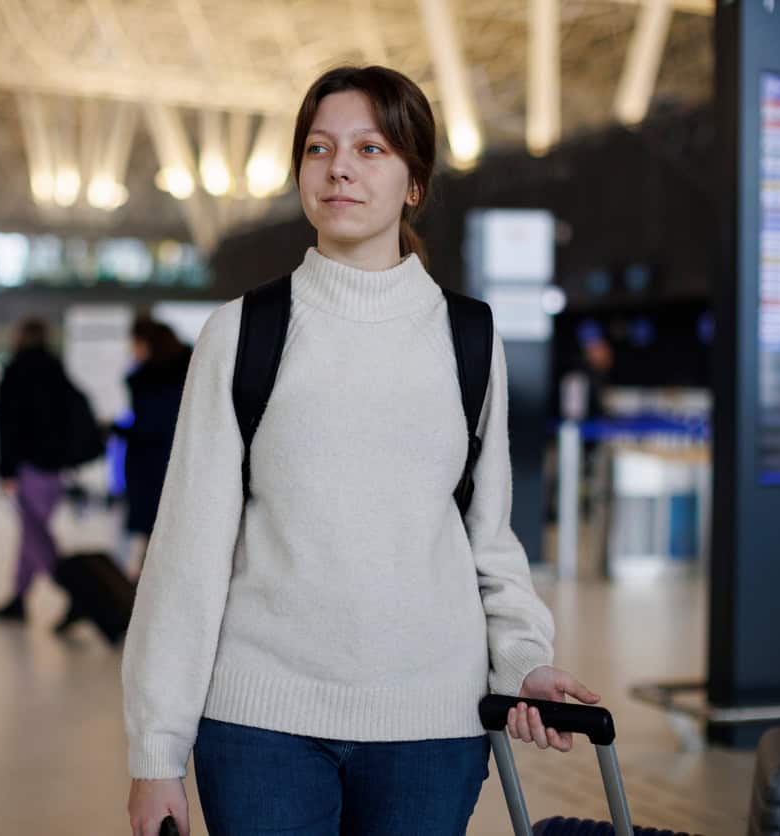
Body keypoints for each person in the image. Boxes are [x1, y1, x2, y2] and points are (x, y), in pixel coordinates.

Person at [123, 65, 598, 836]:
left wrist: (523, 661)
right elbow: (186, 555)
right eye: (318, 148)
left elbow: (487, 536)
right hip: (259, 726)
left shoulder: (468, 337)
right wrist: (155, 754)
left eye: (371, 148)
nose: (339, 166)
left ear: (414, 181)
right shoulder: (242, 333)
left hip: (430, 728)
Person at [0, 317, 72, 623]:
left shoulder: (16, 371)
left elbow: (7, 425)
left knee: (33, 534)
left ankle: (75, 589)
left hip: (28, 467)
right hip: (53, 467)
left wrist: (6, 470)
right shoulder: (56, 369)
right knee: (31, 532)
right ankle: (19, 597)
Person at [110, 317, 191, 580]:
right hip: (183, 463)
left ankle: (145, 593)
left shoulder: (148, 380)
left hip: (150, 465)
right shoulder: (190, 372)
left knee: (153, 533)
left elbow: (149, 426)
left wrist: (117, 430)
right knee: (171, 533)